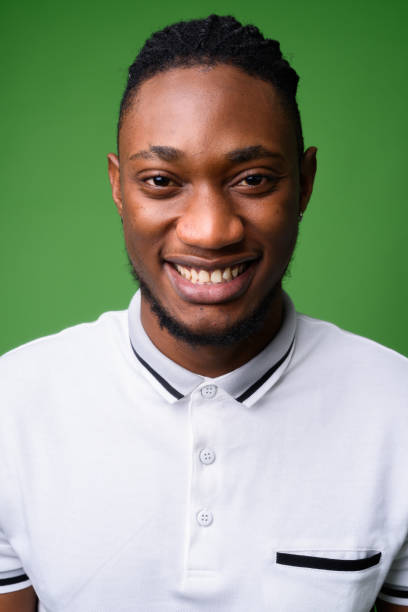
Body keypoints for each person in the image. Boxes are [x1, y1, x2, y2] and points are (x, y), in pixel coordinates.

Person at [0, 14, 406, 612]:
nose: (210, 231)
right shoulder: (14, 406)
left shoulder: (398, 408)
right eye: (162, 180)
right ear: (119, 187)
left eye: (253, 179)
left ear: (306, 182)